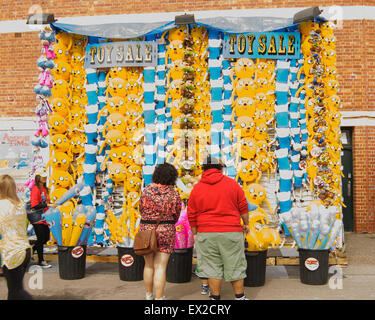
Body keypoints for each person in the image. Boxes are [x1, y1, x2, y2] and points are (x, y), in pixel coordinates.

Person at [187, 157, 250, 300]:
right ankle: (239, 297)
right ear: (221, 168)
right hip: (231, 232)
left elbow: (191, 213)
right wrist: (246, 223)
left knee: (211, 267)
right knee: (235, 263)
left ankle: (215, 297)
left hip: (206, 233)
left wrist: (195, 233)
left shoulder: (197, 188)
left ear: (203, 170)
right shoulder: (232, 184)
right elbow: (243, 206)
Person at [139, 163, 182, 300]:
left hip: (146, 229)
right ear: (172, 177)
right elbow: (176, 214)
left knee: (148, 265)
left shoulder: (146, 190)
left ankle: (148, 295)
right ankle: (159, 299)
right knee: (160, 267)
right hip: (166, 230)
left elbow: (141, 210)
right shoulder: (174, 194)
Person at [0, 174, 33, 300]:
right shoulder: (20, 205)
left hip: (11, 252)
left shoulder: (2, 205)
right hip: (24, 250)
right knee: (14, 289)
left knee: (16, 291)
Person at [29, 173, 53, 268]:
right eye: (43, 176)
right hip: (37, 217)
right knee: (41, 238)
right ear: (38, 177)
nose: (45, 178)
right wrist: (48, 205)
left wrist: (51, 204)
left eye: (45, 176)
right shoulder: (36, 189)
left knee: (45, 238)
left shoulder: (45, 189)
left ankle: (31, 251)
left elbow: (46, 202)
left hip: (44, 217)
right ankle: (41, 260)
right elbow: (34, 205)